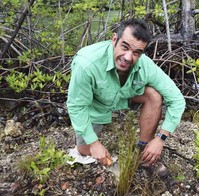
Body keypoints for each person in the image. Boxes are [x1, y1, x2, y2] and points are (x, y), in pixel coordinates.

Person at [66, 18, 186, 178]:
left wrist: (160, 138)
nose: (128, 57)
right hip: (96, 105)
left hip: (125, 96)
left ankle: (144, 151)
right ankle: (102, 153)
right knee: (86, 150)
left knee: (153, 95)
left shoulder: (145, 65)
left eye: (136, 52)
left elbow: (177, 99)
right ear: (114, 39)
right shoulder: (86, 63)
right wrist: (94, 143)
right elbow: (76, 106)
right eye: (125, 47)